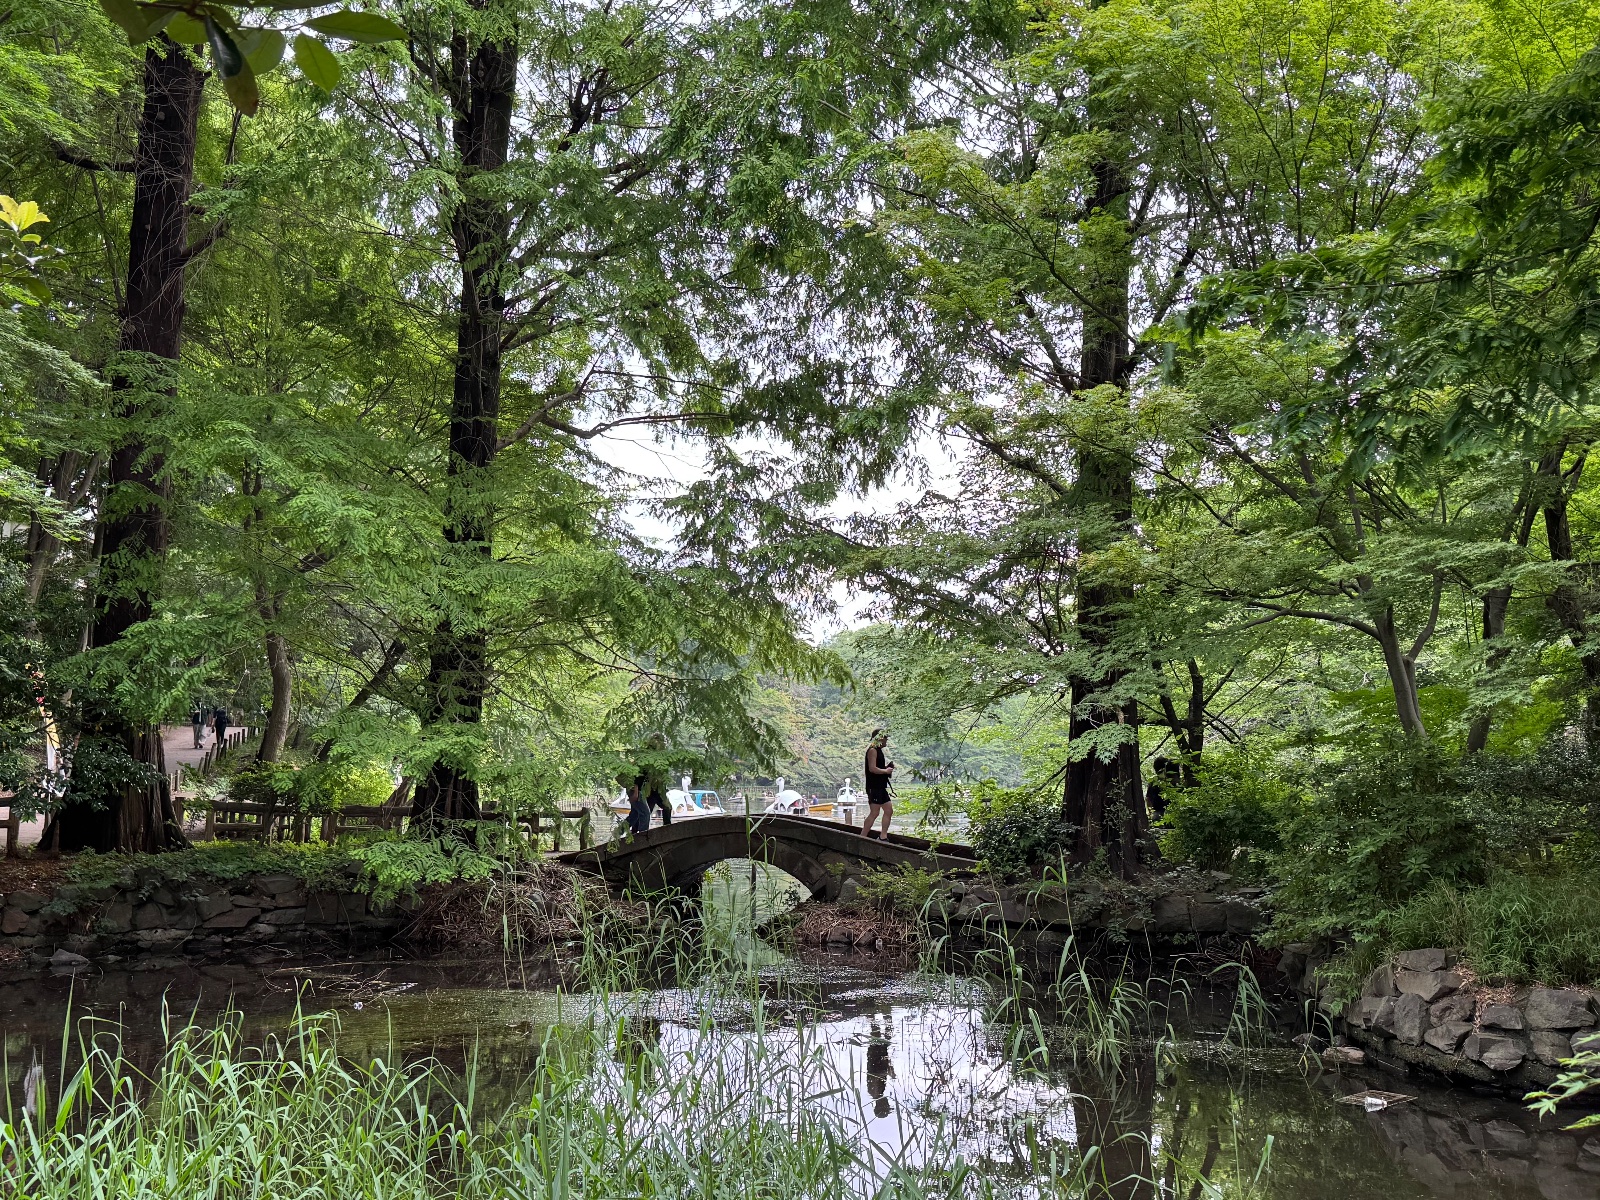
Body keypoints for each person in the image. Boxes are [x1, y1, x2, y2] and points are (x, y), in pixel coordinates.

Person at [860, 729, 895, 840]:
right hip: (874, 787)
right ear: (879, 738)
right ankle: (862, 837)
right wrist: (885, 771)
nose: (886, 740)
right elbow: (872, 768)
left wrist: (886, 769)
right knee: (874, 813)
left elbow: (877, 768)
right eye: (885, 738)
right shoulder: (872, 750)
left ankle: (883, 836)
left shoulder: (879, 751)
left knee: (889, 810)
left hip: (881, 787)